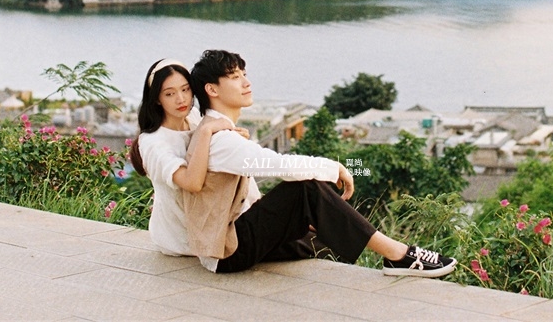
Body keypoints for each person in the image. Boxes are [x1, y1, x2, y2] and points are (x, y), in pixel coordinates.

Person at [183, 49, 457, 278]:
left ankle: (398, 261)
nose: (246, 82)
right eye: (234, 77)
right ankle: (399, 255)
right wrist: (333, 167)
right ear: (212, 89)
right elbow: (280, 166)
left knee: (327, 239)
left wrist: (296, 218)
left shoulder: (216, 129)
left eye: (244, 74)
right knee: (305, 189)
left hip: (226, 246)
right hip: (229, 251)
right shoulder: (221, 139)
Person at [128, 58, 243, 258]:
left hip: (212, 221)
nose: (181, 99)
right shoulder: (153, 143)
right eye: (169, 94)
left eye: (185, 89)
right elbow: (192, 183)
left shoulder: (193, 118)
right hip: (181, 236)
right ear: (157, 99)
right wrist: (206, 132)